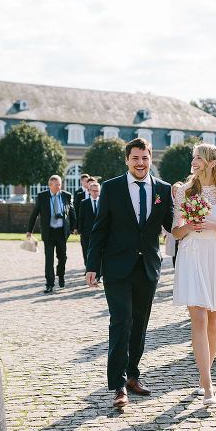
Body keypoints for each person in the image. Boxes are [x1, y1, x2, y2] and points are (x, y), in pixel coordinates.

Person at [85, 138, 174, 409]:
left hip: (147, 267)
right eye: (135, 158)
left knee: (139, 324)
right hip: (116, 267)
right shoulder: (112, 188)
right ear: (127, 160)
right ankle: (119, 385)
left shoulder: (163, 189)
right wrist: (92, 266)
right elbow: (99, 229)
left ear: (151, 159)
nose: (140, 163)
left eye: (145, 158)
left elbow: (172, 224)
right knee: (121, 322)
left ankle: (133, 375)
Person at [172, 143, 216, 406]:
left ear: (212, 162)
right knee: (198, 319)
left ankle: (204, 376)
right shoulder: (185, 191)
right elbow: (176, 232)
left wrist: (213, 225)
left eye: (198, 158)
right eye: (193, 158)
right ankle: (208, 384)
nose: (194, 161)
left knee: (214, 322)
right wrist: (189, 225)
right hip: (192, 254)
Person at [26, 175, 77, 294]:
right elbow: (34, 214)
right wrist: (29, 230)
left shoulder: (66, 196)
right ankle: (49, 283)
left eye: (59, 184)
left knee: (62, 257)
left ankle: (61, 275)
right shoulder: (42, 196)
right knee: (49, 259)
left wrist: (74, 228)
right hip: (48, 233)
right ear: (50, 185)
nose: (58, 187)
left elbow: (72, 213)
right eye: (56, 185)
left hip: (61, 233)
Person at [77, 179, 101, 279]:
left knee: (100, 253)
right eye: (93, 190)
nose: (95, 193)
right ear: (89, 191)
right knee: (87, 251)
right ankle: (89, 270)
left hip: (100, 233)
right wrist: (80, 231)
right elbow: (81, 218)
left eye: (97, 191)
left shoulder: (103, 202)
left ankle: (99, 274)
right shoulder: (84, 203)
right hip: (87, 233)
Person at [163, 181, 184, 267]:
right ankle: (175, 266)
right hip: (173, 230)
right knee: (174, 252)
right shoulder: (170, 202)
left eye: (178, 190)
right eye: (174, 190)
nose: (176, 192)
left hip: (183, 229)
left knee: (181, 250)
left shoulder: (185, 201)